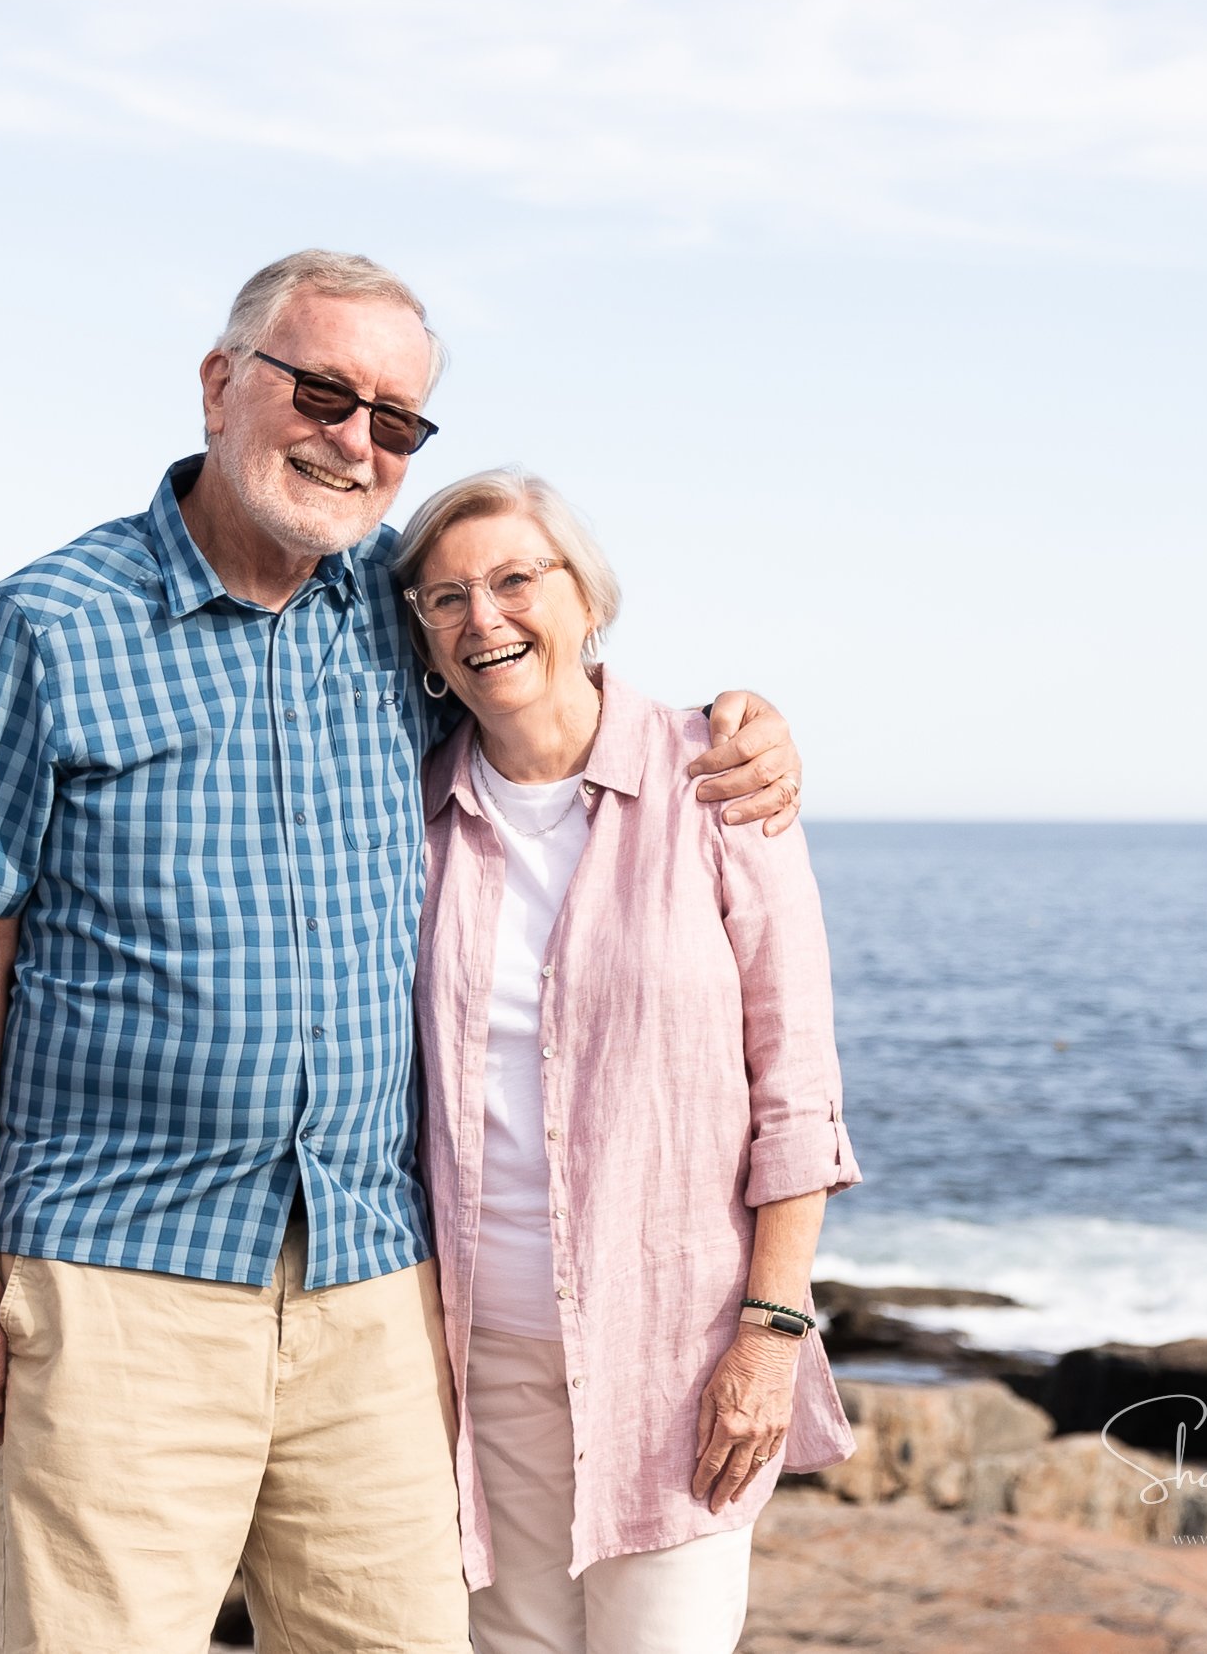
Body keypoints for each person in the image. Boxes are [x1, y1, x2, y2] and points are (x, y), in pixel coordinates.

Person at [0, 250, 805, 1654]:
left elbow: (544, 668)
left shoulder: (398, 613)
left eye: (395, 420)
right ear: (221, 382)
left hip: (376, 1284)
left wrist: (737, 720)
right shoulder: (48, 623)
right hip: (119, 1272)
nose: (354, 438)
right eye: (324, 391)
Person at [395, 467, 861, 1654]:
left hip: (679, 1359)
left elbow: (796, 1094)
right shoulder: (411, 810)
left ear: (584, 597)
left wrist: (768, 1334)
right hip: (477, 1365)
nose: (482, 618)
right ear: (425, 642)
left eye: (513, 580)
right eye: (445, 599)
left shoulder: (717, 774)